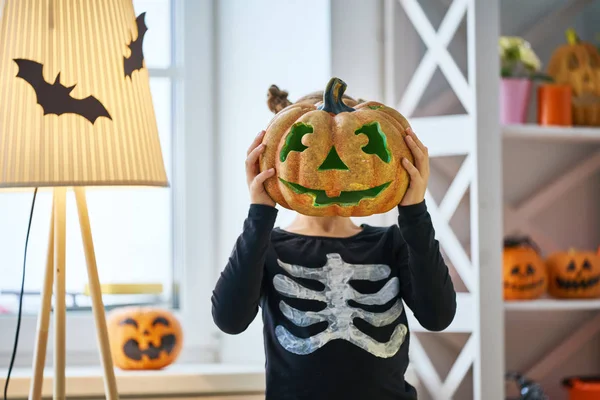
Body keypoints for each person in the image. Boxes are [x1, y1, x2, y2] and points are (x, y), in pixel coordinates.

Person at [211, 85, 457, 400]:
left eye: (353, 152)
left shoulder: (392, 243)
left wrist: (414, 212)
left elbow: (438, 316)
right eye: (314, 151)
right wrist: (260, 214)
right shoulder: (266, 246)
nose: (336, 168)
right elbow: (229, 320)